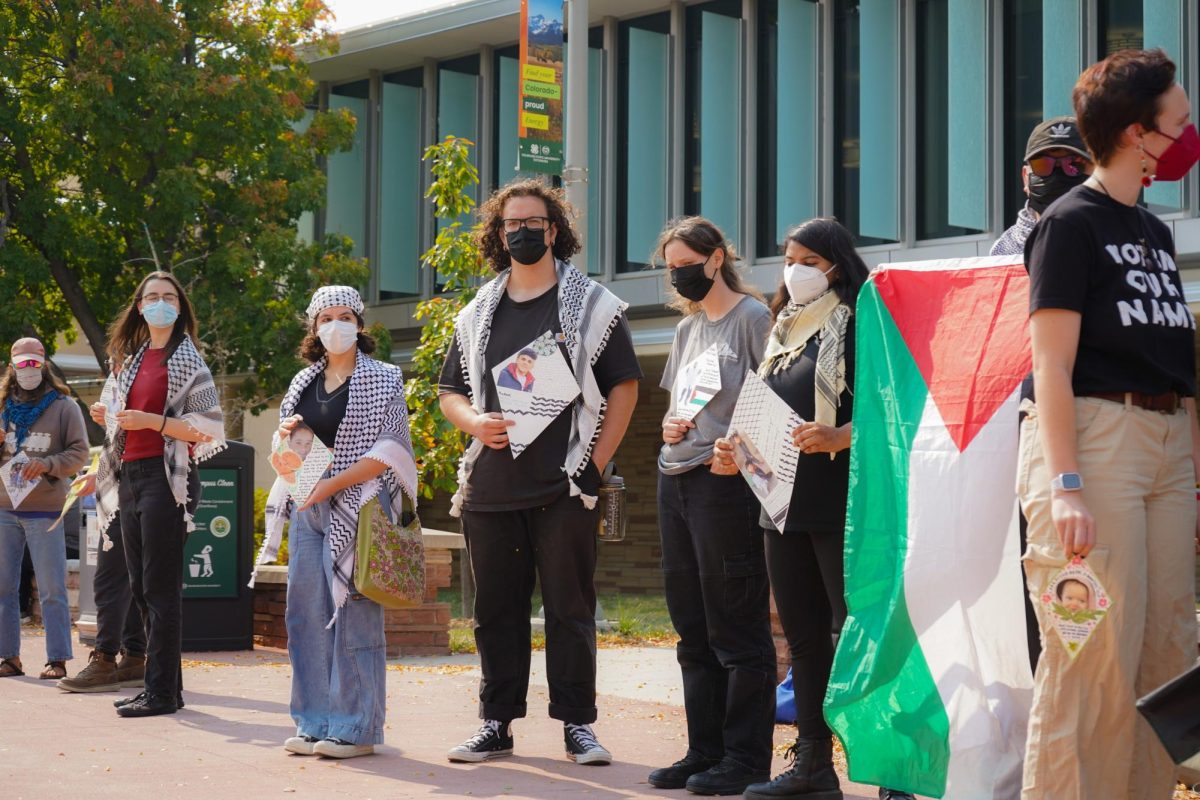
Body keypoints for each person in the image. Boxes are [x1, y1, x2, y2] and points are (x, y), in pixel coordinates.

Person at [1019, 49, 1199, 799]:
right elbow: (1051, 365)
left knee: (1165, 657)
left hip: (1165, 447)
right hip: (1093, 443)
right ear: (1138, 134)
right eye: (1179, 121)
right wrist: (1066, 486)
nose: (1188, 134)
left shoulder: (1155, 234)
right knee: (1091, 661)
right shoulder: (1069, 225)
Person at [438, 178, 640, 766]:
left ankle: (578, 725)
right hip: (491, 489)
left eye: (532, 222)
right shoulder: (478, 311)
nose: (521, 232)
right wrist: (475, 422)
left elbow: (623, 389)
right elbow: (450, 391)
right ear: (498, 235)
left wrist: (594, 467)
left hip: (563, 488)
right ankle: (495, 724)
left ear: (555, 230)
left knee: (569, 611)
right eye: (510, 225)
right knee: (496, 613)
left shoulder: (592, 305)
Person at [713, 219, 914, 800]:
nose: (794, 268)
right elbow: (761, 411)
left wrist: (841, 436)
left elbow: (894, 398)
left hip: (844, 503)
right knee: (802, 640)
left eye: (807, 258)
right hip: (782, 503)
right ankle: (813, 768)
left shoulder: (862, 319)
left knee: (861, 630)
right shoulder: (782, 331)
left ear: (834, 262)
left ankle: (892, 770)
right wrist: (735, 448)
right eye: (788, 257)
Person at [252, 285, 418, 760]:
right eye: (325, 317)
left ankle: (357, 727)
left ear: (360, 325)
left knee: (355, 614)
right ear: (314, 328)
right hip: (307, 505)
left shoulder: (385, 377)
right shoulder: (302, 383)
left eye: (345, 315)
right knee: (304, 615)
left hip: (360, 505)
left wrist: (331, 484)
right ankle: (313, 722)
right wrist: (286, 437)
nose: (335, 325)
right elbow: (289, 451)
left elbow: (391, 451)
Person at [648, 216, 776, 796]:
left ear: (717, 258)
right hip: (676, 479)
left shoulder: (753, 319)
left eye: (686, 264)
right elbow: (678, 409)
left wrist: (738, 450)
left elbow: (772, 403)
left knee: (735, 626)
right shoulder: (687, 330)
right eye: (671, 267)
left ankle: (745, 758)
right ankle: (703, 751)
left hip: (724, 485)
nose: (679, 276)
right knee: (691, 626)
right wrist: (671, 424)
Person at [76, 270, 226, 718]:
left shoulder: (187, 360)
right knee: (140, 589)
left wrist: (155, 422)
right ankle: (163, 689)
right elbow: (125, 422)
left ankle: (160, 693)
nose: (160, 303)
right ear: (139, 306)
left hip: (168, 480)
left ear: (179, 308)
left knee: (160, 592)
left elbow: (209, 429)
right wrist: (109, 414)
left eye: (169, 297)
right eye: (151, 296)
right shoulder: (131, 360)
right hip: (130, 476)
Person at [0, 338, 89, 680]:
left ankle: (57, 659)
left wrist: (48, 463)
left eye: (34, 364)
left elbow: (80, 453)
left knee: (52, 590)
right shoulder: (3, 405)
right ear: (12, 366)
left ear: (44, 365)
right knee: (3, 588)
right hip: (5, 508)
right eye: (21, 364)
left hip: (46, 510)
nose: (28, 370)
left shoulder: (64, 406)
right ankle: (9, 657)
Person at [992, 116, 1094, 257]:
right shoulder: (1004, 252)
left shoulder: (1117, 241)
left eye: (1074, 164)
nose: (1057, 174)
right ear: (1025, 178)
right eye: (1042, 165)